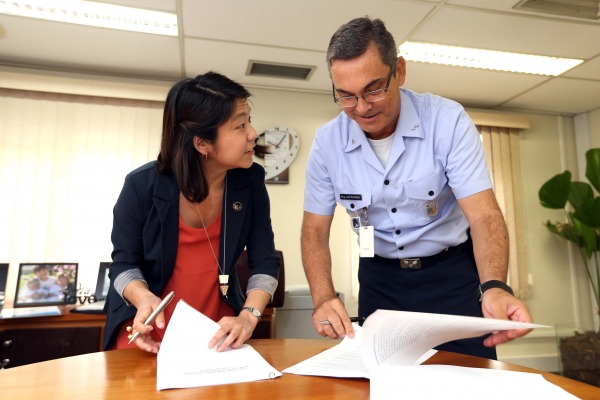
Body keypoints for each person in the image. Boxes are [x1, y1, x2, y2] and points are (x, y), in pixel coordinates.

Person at [301, 17, 532, 359]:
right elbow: (314, 231)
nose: (362, 107)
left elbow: (484, 215)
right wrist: (323, 297)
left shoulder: (447, 121)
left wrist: (495, 287)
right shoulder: (327, 143)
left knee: (468, 380)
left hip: (452, 278)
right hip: (379, 280)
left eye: (373, 89)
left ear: (400, 71)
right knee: (383, 382)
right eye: (346, 96)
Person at [103, 72, 281, 353]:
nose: (252, 133)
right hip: (147, 331)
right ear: (201, 144)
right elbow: (123, 265)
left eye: (249, 120)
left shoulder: (250, 181)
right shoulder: (141, 186)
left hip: (214, 335)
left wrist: (248, 316)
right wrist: (142, 297)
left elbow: (265, 262)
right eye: (239, 126)